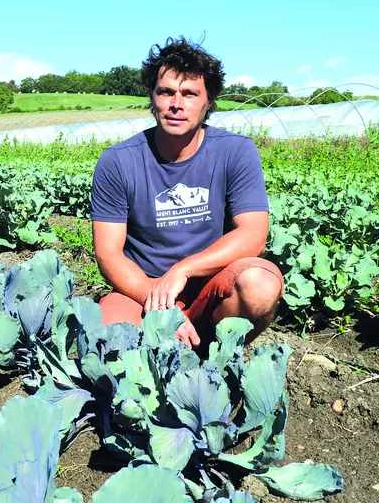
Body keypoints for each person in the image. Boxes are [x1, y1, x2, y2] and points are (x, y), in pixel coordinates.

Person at [90, 37, 284, 350]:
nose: (176, 104)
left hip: (211, 289)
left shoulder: (235, 151)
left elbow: (253, 235)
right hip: (143, 293)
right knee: (105, 337)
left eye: (190, 94)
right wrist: (159, 301)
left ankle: (215, 354)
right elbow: (108, 253)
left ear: (209, 102)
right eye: (166, 92)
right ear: (152, 98)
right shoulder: (118, 161)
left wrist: (184, 269)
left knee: (260, 284)